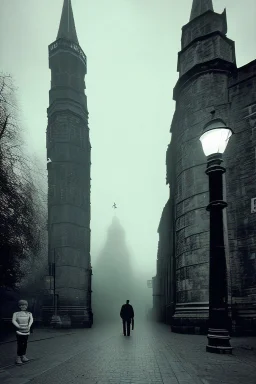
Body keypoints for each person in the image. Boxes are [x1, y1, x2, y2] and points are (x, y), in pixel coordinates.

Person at [12, 299, 33, 365]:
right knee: (20, 344)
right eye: (21, 305)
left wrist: (29, 326)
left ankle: (23, 356)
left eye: (25, 305)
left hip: (26, 331)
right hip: (19, 331)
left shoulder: (29, 313)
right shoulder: (16, 313)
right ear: (19, 306)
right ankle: (18, 357)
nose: (23, 306)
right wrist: (18, 326)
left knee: (25, 343)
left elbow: (31, 320)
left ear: (26, 306)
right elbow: (13, 320)